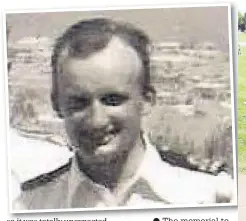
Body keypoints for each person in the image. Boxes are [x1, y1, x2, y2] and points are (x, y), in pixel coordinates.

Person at [11, 18, 235, 210]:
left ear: (147, 101)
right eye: (78, 103)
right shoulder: (30, 206)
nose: (96, 120)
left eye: (112, 100)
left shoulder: (209, 199)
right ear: (56, 105)